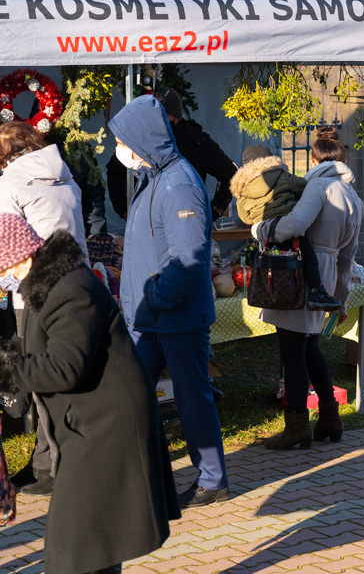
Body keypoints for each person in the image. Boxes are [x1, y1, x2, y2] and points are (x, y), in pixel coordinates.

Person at [0, 213, 180, 573]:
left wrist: (6, 370)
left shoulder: (70, 290)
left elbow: (66, 367)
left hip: (109, 426)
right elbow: (37, 347)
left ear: (18, 257)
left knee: (76, 546)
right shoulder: (46, 284)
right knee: (93, 540)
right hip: (91, 424)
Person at [108, 94, 229, 508]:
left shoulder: (178, 185)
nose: (119, 150)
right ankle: (143, 475)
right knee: (132, 397)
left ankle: (212, 480)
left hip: (173, 317)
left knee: (193, 398)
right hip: (154, 318)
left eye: (124, 141)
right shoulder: (157, 177)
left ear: (143, 140)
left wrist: (155, 300)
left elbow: (188, 260)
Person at [252, 127, 363, 450]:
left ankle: (298, 425)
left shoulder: (318, 187)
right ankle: (329, 418)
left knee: (292, 351)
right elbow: (348, 258)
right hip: (325, 278)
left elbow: (293, 226)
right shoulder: (352, 195)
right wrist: (339, 299)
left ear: (315, 159)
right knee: (310, 348)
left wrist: (260, 230)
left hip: (301, 275)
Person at [0, 121, 90, 496]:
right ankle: (48, 461)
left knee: (42, 380)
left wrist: (7, 283)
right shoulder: (65, 176)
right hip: (75, 286)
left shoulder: (10, 184)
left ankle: (49, 468)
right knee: (66, 375)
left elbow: (7, 243)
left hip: (34, 293)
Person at [230, 143, 341, 311]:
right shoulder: (281, 175)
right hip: (287, 226)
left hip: (265, 232)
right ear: (269, 159)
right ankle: (317, 291)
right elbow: (303, 187)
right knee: (306, 256)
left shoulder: (242, 188)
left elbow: (244, 216)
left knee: (271, 265)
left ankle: (270, 294)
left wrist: (260, 218)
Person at [106, 88, 237, 221]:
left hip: (185, 219)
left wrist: (212, 212)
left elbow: (229, 172)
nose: (156, 123)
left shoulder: (196, 141)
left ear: (174, 116)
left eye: (161, 116)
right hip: (147, 221)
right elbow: (114, 169)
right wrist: (123, 209)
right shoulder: (144, 137)